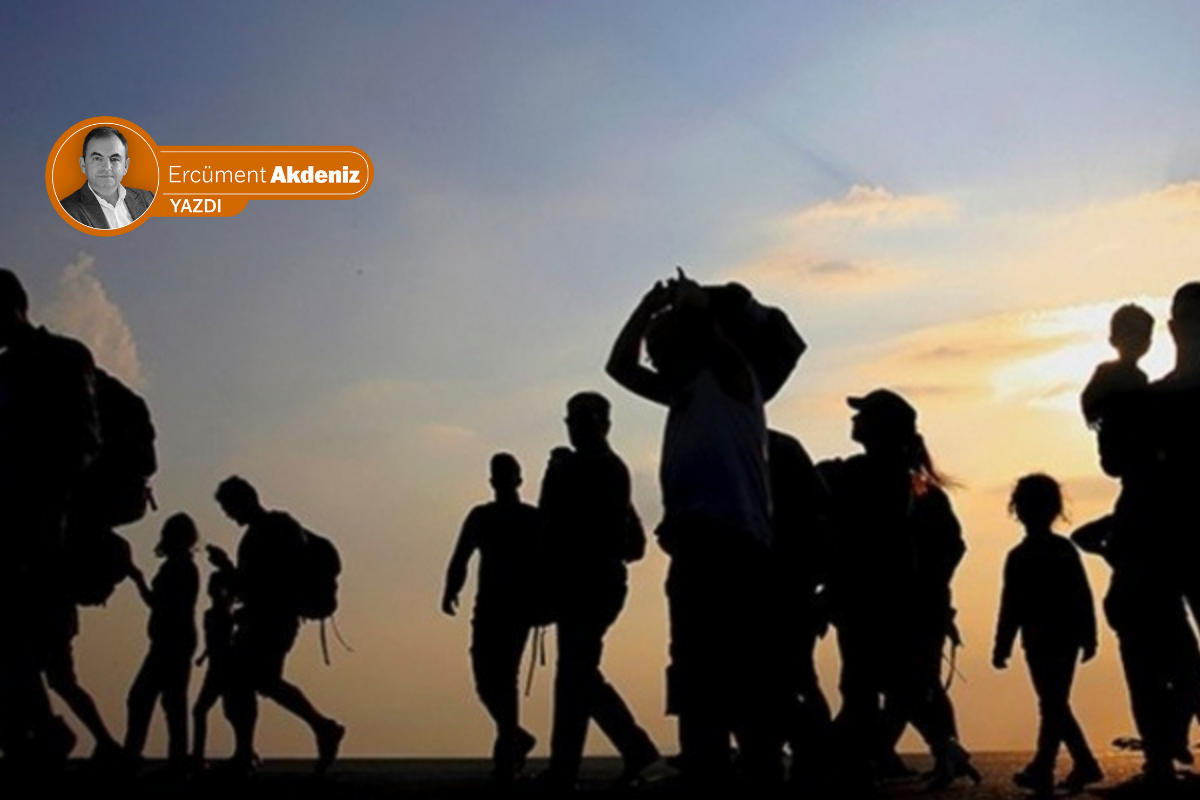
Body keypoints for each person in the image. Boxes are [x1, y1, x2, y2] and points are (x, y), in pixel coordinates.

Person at [607, 275, 802, 788]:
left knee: (737, 672)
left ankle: (756, 764)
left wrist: (695, 302)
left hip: (733, 546)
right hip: (696, 547)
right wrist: (648, 303)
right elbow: (618, 367)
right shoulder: (684, 392)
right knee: (696, 673)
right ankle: (708, 764)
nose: (655, 360)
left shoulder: (729, 374)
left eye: (661, 348)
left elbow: (719, 323)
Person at [818, 389, 976, 791]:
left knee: (866, 689)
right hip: (893, 607)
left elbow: (947, 550)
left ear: (878, 428)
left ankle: (854, 764)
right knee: (900, 687)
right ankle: (941, 750)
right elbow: (952, 549)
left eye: (863, 415)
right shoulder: (918, 488)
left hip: (871, 607)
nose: (854, 420)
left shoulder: (853, 477)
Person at [533, 392, 660, 791]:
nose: (572, 428)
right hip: (587, 582)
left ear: (598, 423)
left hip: (591, 583)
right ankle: (578, 763)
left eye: (578, 420)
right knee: (576, 674)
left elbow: (557, 526)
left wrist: (557, 476)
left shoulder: (601, 469)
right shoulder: (601, 467)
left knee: (575, 674)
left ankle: (622, 752)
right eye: (570, 419)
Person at [0, 268, 99, 768]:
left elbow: (83, 443)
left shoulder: (62, 357)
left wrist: (49, 515)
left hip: (42, 524)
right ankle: (38, 730)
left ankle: (42, 732)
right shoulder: (6, 369)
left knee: (23, 640)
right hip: (18, 521)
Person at [209, 475, 345, 775]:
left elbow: (263, 583)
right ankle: (252, 749)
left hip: (272, 619)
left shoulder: (268, 532)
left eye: (229, 509)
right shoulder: (278, 528)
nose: (230, 516)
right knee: (255, 681)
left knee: (253, 680)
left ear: (242, 501)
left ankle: (319, 728)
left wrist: (226, 570)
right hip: (272, 618)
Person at [994, 474, 1102, 794]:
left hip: (1046, 639)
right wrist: (1089, 634)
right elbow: (1081, 596)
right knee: (1055, 703)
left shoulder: (1024, 556)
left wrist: (1002, 645)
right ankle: (1080, 764)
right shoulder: (1059, 551)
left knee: (1052, 703)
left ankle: (1046, 766)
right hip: (1057, 639)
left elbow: (1011, 605)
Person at [441, 453, 542, 782]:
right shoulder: (481, 516)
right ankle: (515, 736)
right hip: (488, 608)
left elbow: (550, 561)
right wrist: (451, 589)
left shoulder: (532, 518)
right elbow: (462, 555)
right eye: (497, 474)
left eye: (506, 473)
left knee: (505, 678)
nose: (501, 479)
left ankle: (506, 755)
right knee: (485, 680)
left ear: (517, 479)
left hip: (518, 608)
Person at [125, 512, 201, 772]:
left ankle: (137, 753)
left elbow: (158, 604)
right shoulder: (182, 566)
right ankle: (174, 758)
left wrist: (138, 581)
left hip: (171, 641)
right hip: (175, 639)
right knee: (170, 700)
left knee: (144, 697)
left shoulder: (177, 567)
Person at [59, 126, 154, 229]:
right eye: (97, 158)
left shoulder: (148, 199)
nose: (107, 167)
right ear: (83, 165)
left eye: (114, 159)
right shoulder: (65, 211)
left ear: (125, 166)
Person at [1080, 303, 1153, 430]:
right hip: (1114, 438)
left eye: (1143, 335)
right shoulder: (1105, 372)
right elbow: (1088, 399)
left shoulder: (1141, 377)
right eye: (1130, 333)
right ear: (1114, 339)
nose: (1135, 340)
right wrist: (1097, 423)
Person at [191, 569, 237, 767]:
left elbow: (222, 641)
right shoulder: (212, 614)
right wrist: (203, 656)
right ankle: (198, 754)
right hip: (215, 666)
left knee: (215, 710)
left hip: (223, 668)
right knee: (204, 711)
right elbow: (213, 642)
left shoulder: (224, 614)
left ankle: (199, 755)